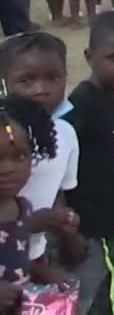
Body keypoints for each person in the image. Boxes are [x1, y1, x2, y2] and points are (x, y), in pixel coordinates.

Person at [64, 11, 114, 315]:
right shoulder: (81, 104)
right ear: (90, 57)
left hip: (112, 227)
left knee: (112, 293)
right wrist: (70, 231)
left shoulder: (113, 97)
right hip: (88, 232)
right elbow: (59, 169)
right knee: (90, 300)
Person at [1, 32, 81, 286]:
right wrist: (33, 222)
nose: (41, 89)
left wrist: (64, 220)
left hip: (29, 260)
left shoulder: (65, 136)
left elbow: (59, 195)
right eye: (27, 80)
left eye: (53, 78)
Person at [0, 93, 66, 312]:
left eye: (20, 156)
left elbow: (17, 260)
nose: (8, 169)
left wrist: (43, 274)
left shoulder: (22, 209)